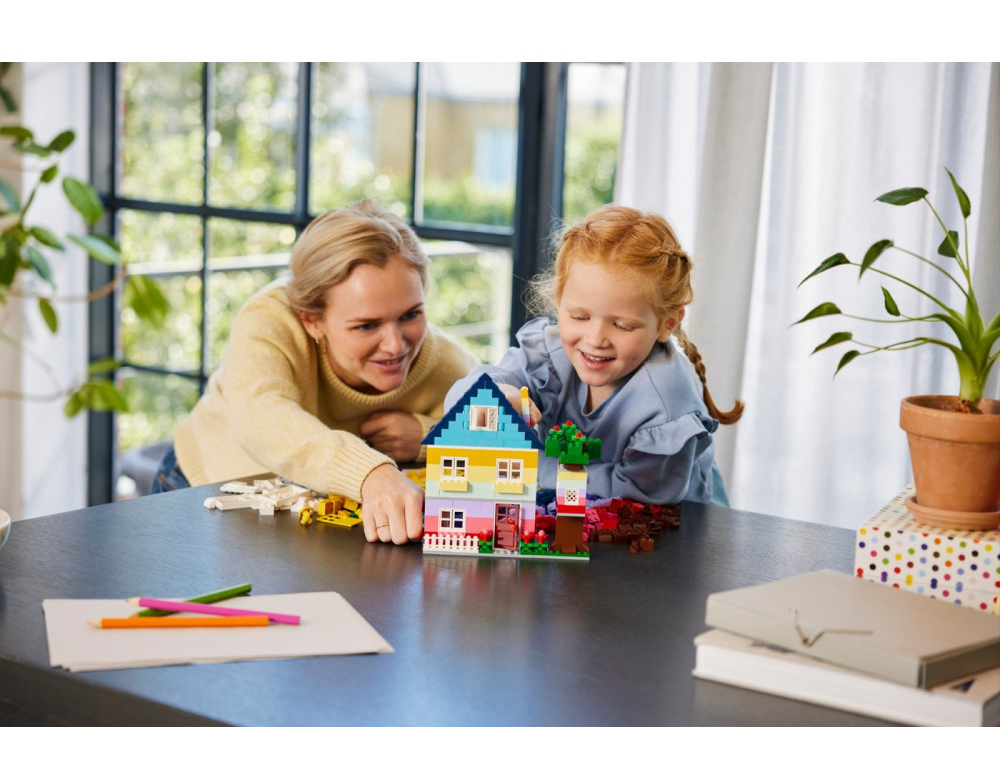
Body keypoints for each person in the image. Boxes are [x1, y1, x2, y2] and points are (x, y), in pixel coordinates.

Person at [151, 199, 480, 544]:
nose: (396, 345)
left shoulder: (447, 362)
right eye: (367, 325)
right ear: (312, 320)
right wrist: (372, 473)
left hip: (317, 514)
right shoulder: (268, 320)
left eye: (411, 314)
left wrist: (429, 437)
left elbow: (494, 432)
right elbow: (262, 417)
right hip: (211, 489)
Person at [445, 204, 743, 505]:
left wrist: (535, 466)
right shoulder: (547, 355)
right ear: (559, 302)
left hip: (681, 527)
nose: (596, 339)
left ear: (667, 324)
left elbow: (638, 494)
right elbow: (460, 399)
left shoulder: (666, 402)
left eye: (622, 325)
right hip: (573, 513)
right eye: (580, 317)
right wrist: (494, 395)